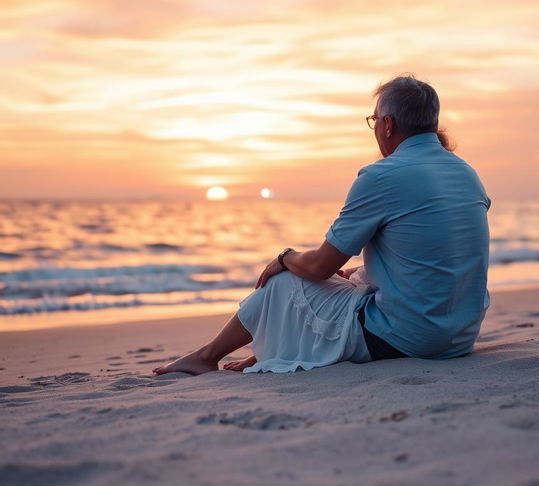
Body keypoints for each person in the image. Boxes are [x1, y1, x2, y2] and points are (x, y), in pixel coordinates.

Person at [153, 74, 490, 376]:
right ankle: (269, 352)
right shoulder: (466, 173)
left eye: (373, 120)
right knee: (347, 282)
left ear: (387, 124)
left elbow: (317, 267)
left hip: (409, 340)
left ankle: (207, 355)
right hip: (458, 337)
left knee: (286, 280)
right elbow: (431, 254)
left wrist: (285, 257)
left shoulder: (382, 176)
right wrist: (357, 273)